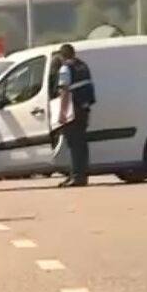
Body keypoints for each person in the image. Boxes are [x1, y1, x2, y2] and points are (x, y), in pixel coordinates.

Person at [56, 43, 95, 187]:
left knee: (73, 144)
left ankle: (76, 177)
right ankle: (80, 175)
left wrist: (62, 112)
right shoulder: (83, 66)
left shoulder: (66, 68)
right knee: (81, 144)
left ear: (62, 56)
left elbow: (64, 91)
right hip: (84, 108)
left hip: (73, 110)